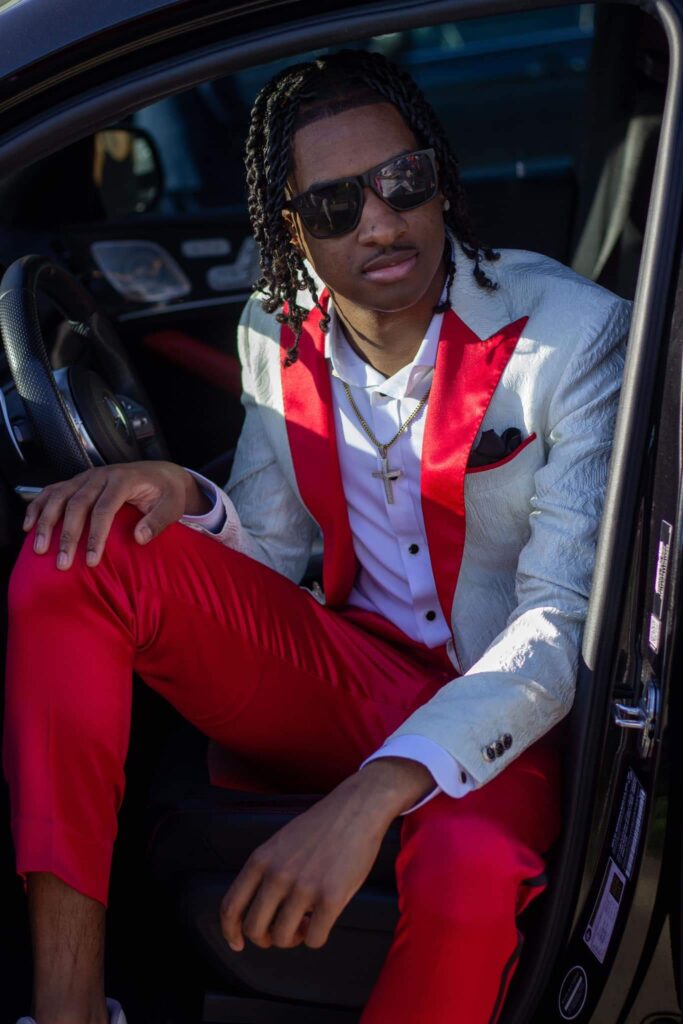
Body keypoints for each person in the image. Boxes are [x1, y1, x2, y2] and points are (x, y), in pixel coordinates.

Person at [4, 49, 630, 1024]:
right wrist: (188, 499)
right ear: (291, 232)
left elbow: (559, 623)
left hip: (507, 706)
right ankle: (70, 1004)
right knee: (79, 546)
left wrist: (371, 792)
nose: (380, 221)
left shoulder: (574, 335)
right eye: (336, 206)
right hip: (348, 673)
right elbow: (272, 559)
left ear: (438, 178)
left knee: (469, 864)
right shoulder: (274, 329)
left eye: (401, 182)